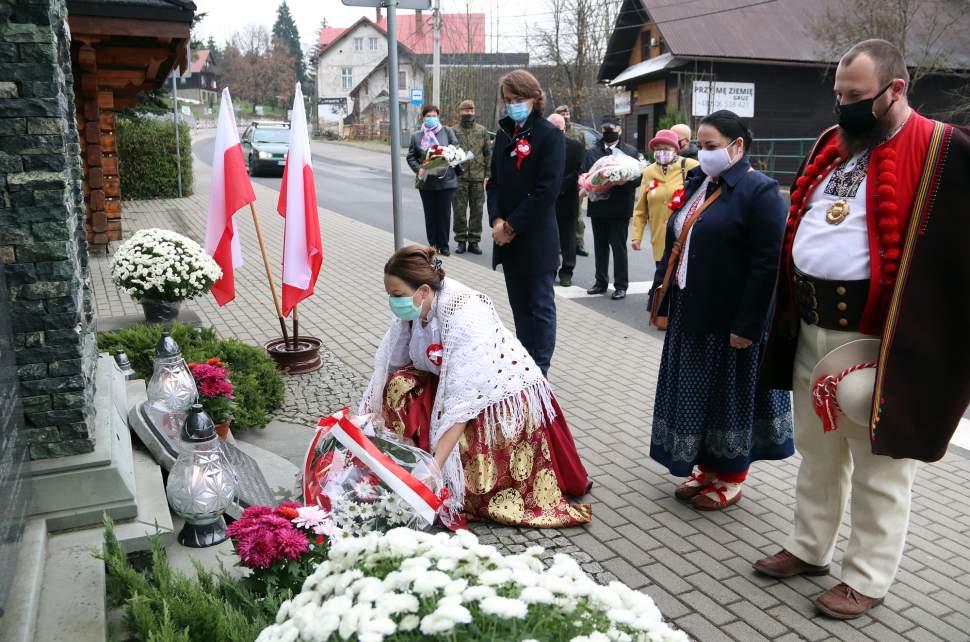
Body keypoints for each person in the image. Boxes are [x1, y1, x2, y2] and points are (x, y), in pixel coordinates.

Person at [753, 39, 970, 619]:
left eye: (855, 96)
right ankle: (808, 546)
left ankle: (867, 577)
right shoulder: (834, 143)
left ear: (895, 90)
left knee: (880, 465)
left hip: (884, 339)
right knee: (816, 451)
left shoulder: (944, 151)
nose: (842, 105)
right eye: (838, 94)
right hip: (811, 325)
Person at [359, 245, 592, 530]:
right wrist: (369, 417)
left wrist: (437, 466)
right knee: (399, 385)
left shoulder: (465, 313)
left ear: (422, 290)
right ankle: (402, 461)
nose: (392, 302)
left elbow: (463, 400)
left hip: (496, 395)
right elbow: (389, 363)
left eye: (396, 295)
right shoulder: (414, 310)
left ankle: (458, 482)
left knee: (456, 433)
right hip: (450, 380)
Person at [648, 109, 794, 511]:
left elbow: (768, 265)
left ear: (738, 146)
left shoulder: (758, 192)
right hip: (690, 315)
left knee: (728, 398)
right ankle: (707, 469)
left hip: (730, 320)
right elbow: (676, 240)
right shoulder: (700, 183)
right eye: (700, 145)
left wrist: (749, 324)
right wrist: (660, 297)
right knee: (699, 396)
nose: (703, 153)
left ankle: (731, 477)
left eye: (711, 146)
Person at [486, 69, 564, 377]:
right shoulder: (504, 134)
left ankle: (539, 370)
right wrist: (496, 221)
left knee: (540, 308)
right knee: (520, 308)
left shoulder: (550, 135)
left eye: (518, 99)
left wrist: (512, 226)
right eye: (508, 100)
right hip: (507, 239)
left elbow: (547, 190)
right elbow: (493, 182)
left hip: (535, 239)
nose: (512, 105)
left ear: (534, 98)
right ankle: (525, 363)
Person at [582, 116, 641, 300]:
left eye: (612, 128)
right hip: (598, 206)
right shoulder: (592, 151)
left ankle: (621, 285)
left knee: (618, 247)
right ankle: (600, 282)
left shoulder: (630, 152)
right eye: (605, 128)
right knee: (600, 247)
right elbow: (584, 174)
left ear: (620, 130)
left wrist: (624, 180)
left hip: (619, 208)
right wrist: (591, 184)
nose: (608, 131)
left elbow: (638, 178)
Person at [632, 129, 699, 268]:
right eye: (657, 149)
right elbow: (640, 209)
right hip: (659, 237)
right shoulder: (649, 171)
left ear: (675, 149)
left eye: (666, 148)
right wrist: (636, 236)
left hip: (684, 235)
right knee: (662, 278)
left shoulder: (690, 165)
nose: (661, 152)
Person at [407, 104, 460, 256]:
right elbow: (411, 156)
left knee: (444, 214)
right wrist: (419, 169)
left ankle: (444, 245)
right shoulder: (417, 136)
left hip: (446, 180)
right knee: (430, 214)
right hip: (426, 182)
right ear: (422, 117)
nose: (431, 118)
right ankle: (433, 244)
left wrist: (447, 155)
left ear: (438, 116)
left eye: (434, 115)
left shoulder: (447, 131)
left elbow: (455, 148)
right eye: (428, 116)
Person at [548, 113, 584, 288]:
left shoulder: (575, 146)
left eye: (558, 128)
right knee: (548, 238)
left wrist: (559, 186)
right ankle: (550, 269)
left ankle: (567, 272)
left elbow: (578, 171)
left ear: (564, 128)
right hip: (546, 201)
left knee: (568, 239)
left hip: (567, 199)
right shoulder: (541, 146)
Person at [451, 100, 490, 255]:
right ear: (460, 111)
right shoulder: (453, 131)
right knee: (459, 211)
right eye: (465, 110)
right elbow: (449, 153)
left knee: (477, 211)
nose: (468, 112)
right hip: (459, 177)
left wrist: (488, 175)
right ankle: (460, 240)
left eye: (471, 109)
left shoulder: (482, 131)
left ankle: (474, 241)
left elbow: (488, 154)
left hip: (477, 177)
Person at [554, 104, 589, 257]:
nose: (565, 115)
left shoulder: (578, 132)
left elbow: (583, 154)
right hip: (558, 180)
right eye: (562, 113)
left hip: (574, 180)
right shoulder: (553, 130)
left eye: (567, 112)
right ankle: (561, 245)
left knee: (577, 216)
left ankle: (578, 244)